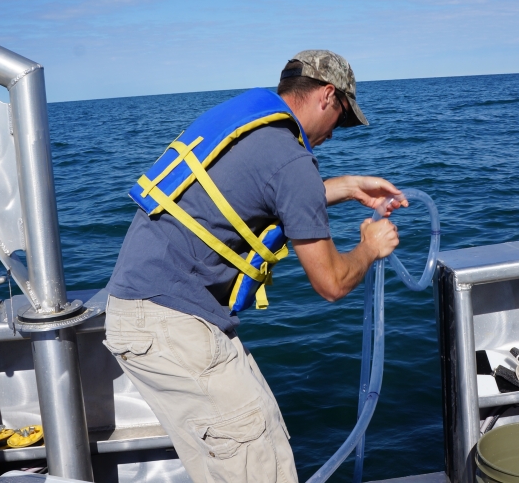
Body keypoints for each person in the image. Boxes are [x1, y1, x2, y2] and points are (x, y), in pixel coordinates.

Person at [103, 49, 406, 483]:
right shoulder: (292, 159)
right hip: (175, 326)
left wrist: (350, 186)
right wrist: (370, 246)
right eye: (341, 118)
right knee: (260, 462)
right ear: (326, 95)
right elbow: (332, 282)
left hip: (143, 317)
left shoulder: (253, 131)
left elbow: (265, 190)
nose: (335, 134)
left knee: (237, 455)